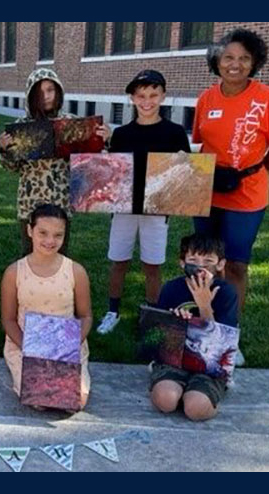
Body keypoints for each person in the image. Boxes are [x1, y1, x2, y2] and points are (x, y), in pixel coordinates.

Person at [192, 28, 269, 320]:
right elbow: (198, 144)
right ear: (217, 60)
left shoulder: (268, 98)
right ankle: (204, 320)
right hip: (208, 191)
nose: (235, 64)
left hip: (246, 196)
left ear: (254, 63)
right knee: (204, 263)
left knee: (236, 265)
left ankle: (229, 332)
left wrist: (259, 169)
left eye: (244, 58)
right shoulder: (206, 99)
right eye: (228, 57)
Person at [96, 70, 191, 335]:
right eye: (141, 95)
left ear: (162, 96)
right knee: (119, 261)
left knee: (153, 264)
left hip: (157, 209)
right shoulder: (122, 133)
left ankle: (152, 314)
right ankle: (112, 311)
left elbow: (184, 173)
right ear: (132, 98)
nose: (147, 101)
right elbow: (112, 172)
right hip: (124, 209)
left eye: (153, 95)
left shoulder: (174, 133)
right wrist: (104, 144)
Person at [0, 68, 109, 256]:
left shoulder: (72, 124)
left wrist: (102, 141)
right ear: (31, 96)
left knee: (60, 256)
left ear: (58, 92)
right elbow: (11, 167)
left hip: (61, 202)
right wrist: (4, 149)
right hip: (30, 204)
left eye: (50, 90)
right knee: (29, 256)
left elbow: (91, 164)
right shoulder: (21, 126)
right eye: (40, 92)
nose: (46, 96)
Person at [0, 204, 93, 410]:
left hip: (66, 346)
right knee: (41, 399)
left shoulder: (76, 271)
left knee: (75, 402)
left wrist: (71, 344)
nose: (50, 241)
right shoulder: (14, 272)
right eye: (43, 233)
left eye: (58, 235)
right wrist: (30, 347)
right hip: (25, 345)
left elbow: (86, 316)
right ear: (29, 231)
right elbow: (8, 319)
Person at [150, 233, 239, 421]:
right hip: (174, 359)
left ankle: (201, 396)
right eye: (193, 260)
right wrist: (175, 322)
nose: (200, 267)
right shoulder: (171, 289)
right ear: (182, 263)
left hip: (209, 365)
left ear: (220, 264)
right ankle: (179, 389)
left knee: (195, 409)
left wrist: (205, 306)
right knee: (165, 401)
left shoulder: (226, 293)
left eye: (208, 261)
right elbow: (156, 336)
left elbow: (222, 344)